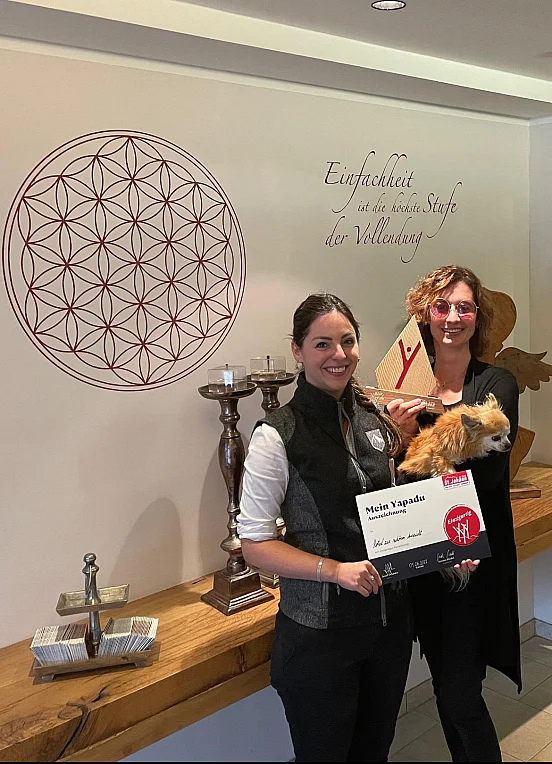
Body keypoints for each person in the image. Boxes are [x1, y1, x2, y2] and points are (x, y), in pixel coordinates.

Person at [237, 293, 413, 763]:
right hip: (320, 637)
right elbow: (254, 544)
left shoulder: (373, 419)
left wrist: (450, 549)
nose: (339, 355)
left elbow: (393, 510)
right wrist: (335, 570)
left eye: (347, 341)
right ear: (297, 351)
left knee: (374, 752)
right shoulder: (277, 434)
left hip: (387, 627)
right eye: (322, 344)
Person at [387, 265, 520, 763]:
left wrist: (418, 444)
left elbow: (489, 464)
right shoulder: (403, 387)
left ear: (477, 317)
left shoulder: (495, 383)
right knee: (446, 685)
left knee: (462, 693)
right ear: (425, 314)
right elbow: (390, 471)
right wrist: (398, 436)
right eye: (442, 306)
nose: (452, 317)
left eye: (464, 307)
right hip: (421, 558)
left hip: (471, 556)